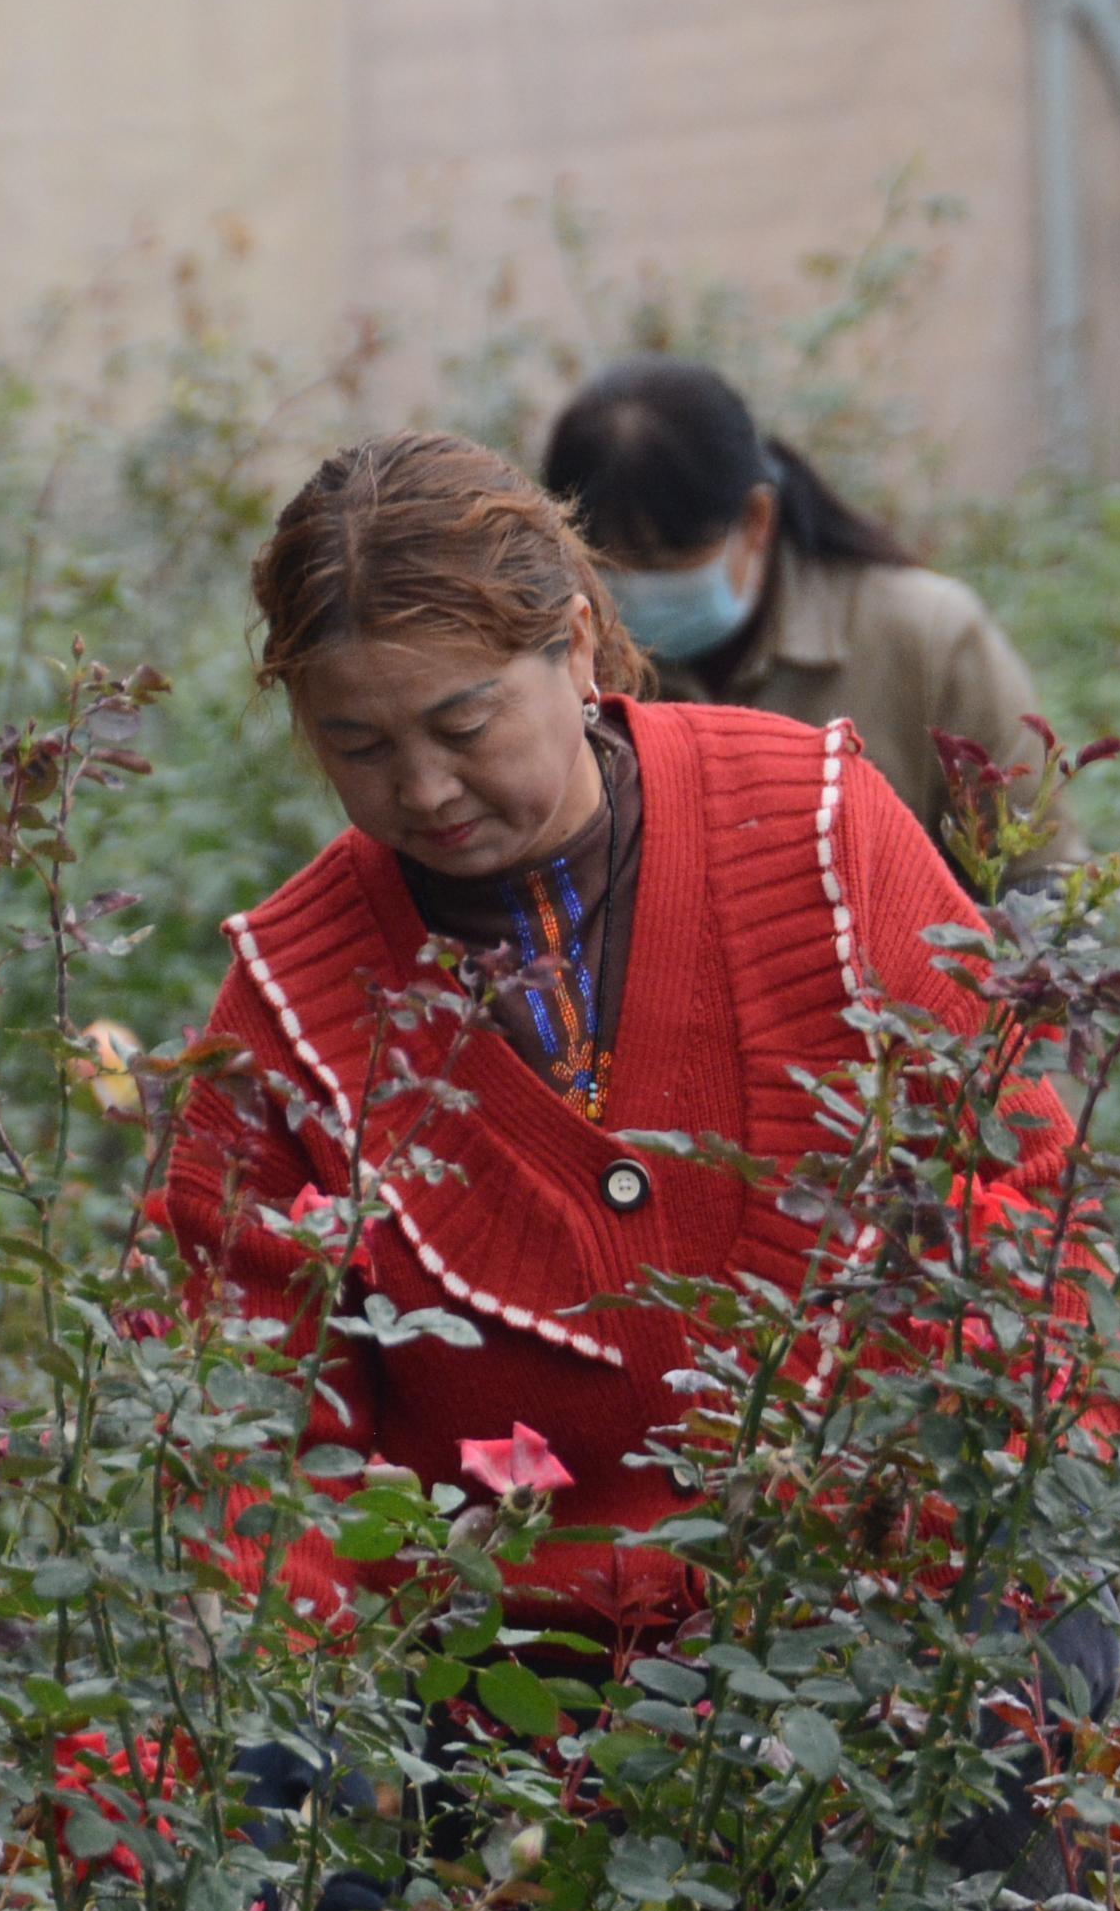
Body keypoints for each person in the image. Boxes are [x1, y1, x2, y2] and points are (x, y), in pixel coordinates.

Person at [158, 429, 1067, 1654]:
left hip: (895, 1624)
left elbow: (1022, 1190)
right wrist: (303, 1692)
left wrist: (958, 1527)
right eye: (358, 747)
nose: (422, 788)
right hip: (517, 1697)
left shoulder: (811, 831)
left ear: (575, 643)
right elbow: (248, 1430)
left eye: (462, 724)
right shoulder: (292, 1007)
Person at [539, 358, 1070, 872]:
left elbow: (1039, 878)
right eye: (609, 566)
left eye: (663, 561)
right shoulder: (563, 669)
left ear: (756, 519)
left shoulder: (923, 638)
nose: (639, 590)